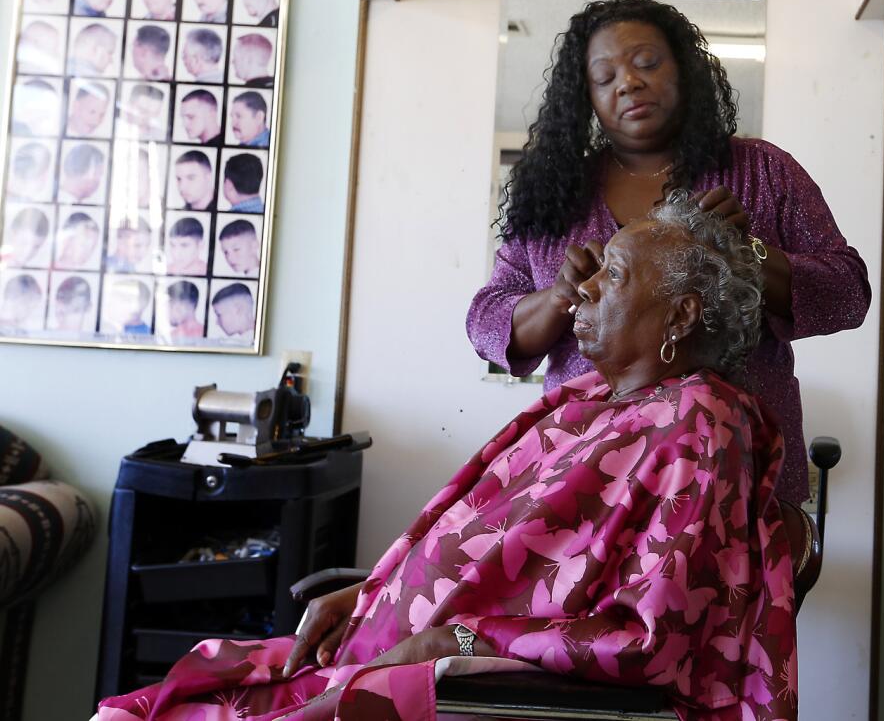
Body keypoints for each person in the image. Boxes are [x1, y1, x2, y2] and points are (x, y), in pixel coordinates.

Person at [97, 195, 797, 720]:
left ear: (679, 316)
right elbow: (490, 550)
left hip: (447, 688)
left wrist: (448, 638)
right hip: (380, 646)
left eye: (610, 276)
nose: (579, 288)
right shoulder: (595, 401)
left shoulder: (696, 427)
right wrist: (374, 588)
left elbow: (644, 642)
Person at [470, 0, 870, 503]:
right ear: (585, 97)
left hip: (734, 469)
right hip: (589, 471)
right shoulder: (555, 193)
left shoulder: (763, 172)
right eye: (604, 76)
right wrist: (556, 298)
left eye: (647, 63)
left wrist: (747, 254)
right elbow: (487, 323)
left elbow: (848, 294)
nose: (628, 83)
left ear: (684, 69)